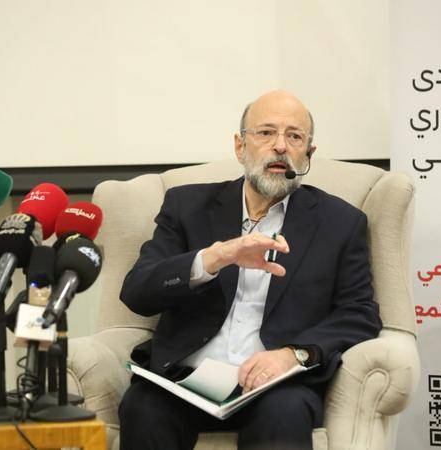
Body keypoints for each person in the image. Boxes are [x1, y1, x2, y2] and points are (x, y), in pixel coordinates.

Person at [117, 90, 382, 450]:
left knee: (284, 412)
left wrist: (294, 354)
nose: (280, 146)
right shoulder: (187, 206)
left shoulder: (340, 222)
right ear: (240, 146)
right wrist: (214, 258)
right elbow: (137, 292)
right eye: (266, 132)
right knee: (142, 408)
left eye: (294, 136)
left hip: (276, 388)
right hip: (186, 379)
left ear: (308, 153)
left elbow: (359, 313)